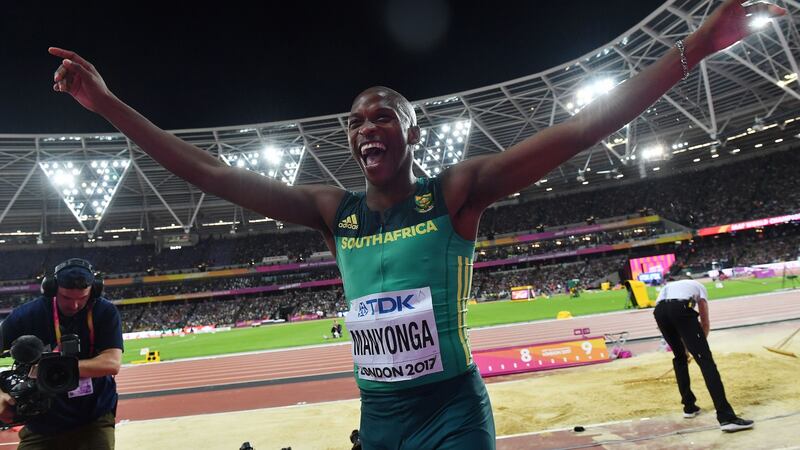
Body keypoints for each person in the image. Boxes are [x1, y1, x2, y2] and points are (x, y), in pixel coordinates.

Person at [47, 1, 782, 447]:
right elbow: (208, 173)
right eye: (355, 120)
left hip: (452, 413)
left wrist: (694, 47)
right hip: (380, 417)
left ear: (412, 131)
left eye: (383, 116)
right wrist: (105, 103)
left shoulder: (457, 193)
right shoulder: (333, 213)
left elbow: (581, 130)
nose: (366, 127)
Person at [0, 258, 123, 449]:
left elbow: (112, 363)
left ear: (94, 290)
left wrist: (50, 368)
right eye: (66, 298)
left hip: (93, 415)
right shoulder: (26, 315)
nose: (74, 305)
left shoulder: (104, 311)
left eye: (82, 298)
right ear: (52, 289)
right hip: (41, 420)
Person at [654, 264, 752, 432]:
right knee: (706, 362)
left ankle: (689, 407)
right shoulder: (698, 286)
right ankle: (726, 418)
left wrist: (686, 348)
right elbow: (704, 321)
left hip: (660, 312)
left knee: (679, 358)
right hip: (680, 309)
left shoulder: (667, 288)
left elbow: (666, 319)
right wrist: (699, 348)